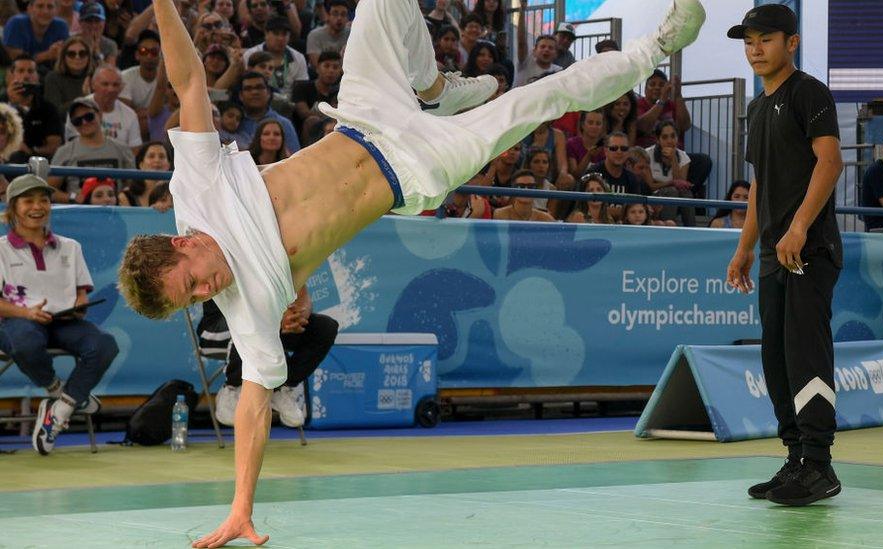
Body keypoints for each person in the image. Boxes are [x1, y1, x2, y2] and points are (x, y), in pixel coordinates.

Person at [117, 0, 703, 545]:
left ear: (180, 242)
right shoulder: (246, 311)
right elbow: (251, 406)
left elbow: (188, 79)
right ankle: (656, 46)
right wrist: (241, 505)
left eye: (190, 280)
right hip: (417, 167)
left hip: (365, 118)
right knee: (540, 102)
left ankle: (432, 86)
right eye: (192, 300)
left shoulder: (196, 186)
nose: (205, 292)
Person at [724, 4, 844, 507]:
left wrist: (797, 227)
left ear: (790, 43)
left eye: (765, 39)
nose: (755, 48)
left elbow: (830, 161)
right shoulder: (756, 107)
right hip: (775, 254)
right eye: (748, 40)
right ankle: (795, 458)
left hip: (809, 249)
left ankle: (819, 464)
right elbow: (758, 186)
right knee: (775, 358)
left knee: (804, 355)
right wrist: (745, 247)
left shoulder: (808, 92)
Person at [0, 174, 119, 455]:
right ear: (13, 207)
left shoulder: (71, 246)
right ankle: (59, 391)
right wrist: (26, 313)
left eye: (43, 200)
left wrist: (79, 306)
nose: (37, 206)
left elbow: (81, 293)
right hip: (16, 320)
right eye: (28, 200)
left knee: (105, 345)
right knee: (26, 342)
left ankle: (60, 410)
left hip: (63, 322)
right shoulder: (1, 248)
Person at [203, 289, 339, 428]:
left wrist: (298, 316)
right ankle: (232, 389)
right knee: (259, 321)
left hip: (270, 325)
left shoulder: (284, 266)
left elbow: (301, 293)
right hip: (217, 329)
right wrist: (279, 318)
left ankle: (280, 387)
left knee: (325, 327)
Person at [50, 97, 136, 202]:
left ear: (100, 115)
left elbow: (133, 185)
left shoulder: (122, 148)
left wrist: (120, 198)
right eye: (77, 121)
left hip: (115, 212)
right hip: (80, 213)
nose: (84, 122)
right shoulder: (64, 151)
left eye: (89, 117)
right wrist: (74, 198)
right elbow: (50, 190)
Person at [65, 65, 143, 150]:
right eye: (105, 84)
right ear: (93, 85)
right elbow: (71, 145)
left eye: (115, 85)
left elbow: (135, 150)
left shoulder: (130, 115)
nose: (110, 89)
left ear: (121, 88)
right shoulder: (77, 109)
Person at [1, 56, 63, 161]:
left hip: (37, 164)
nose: (26, 76)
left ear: (37, 77)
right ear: (10, 76)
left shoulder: (47, 109)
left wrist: (31, 151)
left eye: (30, 71)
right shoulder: (2, 106)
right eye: (20, 71)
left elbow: (54, 145)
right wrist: (11, 104)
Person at [646, 120, 695, 226]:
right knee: (671, 191)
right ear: (657, 140)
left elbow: (680, 184)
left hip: (674, 193)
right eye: (665, 137)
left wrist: (673, 159)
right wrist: (671, 182)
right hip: (653, 196)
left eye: (673, 136)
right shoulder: (647, 154)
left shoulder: (683, 156)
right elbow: (650, 186)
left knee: (686, 193)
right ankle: (668, 227)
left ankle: (692, 229)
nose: (670, 141)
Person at [243, 16, 308, 93]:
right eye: (276, 33)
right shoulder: (250, 54)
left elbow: (301, 90)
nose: (280, 38)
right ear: (266, 34)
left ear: (289, 36)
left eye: (284, 34)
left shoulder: (298, 57)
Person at [2, 0, 69, 68]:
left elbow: (66, 59)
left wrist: (60, 53)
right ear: (29, 9)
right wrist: (47, 55)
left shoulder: (61, 26)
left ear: (57, 10)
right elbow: (17, 61)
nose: (45, 11)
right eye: (40, 6)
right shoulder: (16, 23)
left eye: (50, 7)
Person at [636, 68, 691, 149]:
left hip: (674, 153)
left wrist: (678, 95)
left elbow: (685, 126)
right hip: (647, 154)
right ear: (645, 89)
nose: (657, 88)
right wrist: (661, 101)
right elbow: (643, 127)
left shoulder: (671, 105)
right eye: (652, 84)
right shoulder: (638, 104)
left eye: (662, 85)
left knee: (704, 160)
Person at [43, 36, 94, 118]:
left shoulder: (96, 77)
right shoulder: (53, 78)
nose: (77, 57)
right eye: (71, 54)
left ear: (89, 57)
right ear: (64, 57)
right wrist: (83, 98)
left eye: (82, 53)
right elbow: (54, 113)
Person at [119, 140, 172, 207]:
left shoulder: (176, 193)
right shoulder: (126, 196)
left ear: (168, 165)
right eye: (151, 156)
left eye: (162, 156)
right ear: (141, 164)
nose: (157, 160)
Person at [306, 0, 349, 65]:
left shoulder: (351, 35)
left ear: (347, 18)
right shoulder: (314, 35)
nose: (339, 18)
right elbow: (316, 64)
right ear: (328, 16)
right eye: (335, 14)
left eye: (343, 14)